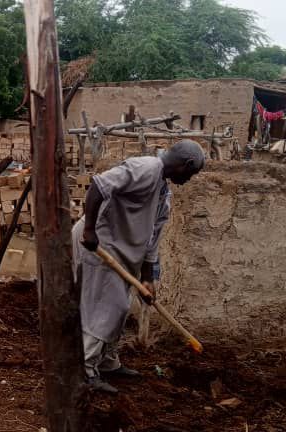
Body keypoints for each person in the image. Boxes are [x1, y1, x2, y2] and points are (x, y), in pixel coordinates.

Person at [71, 139, 205, 394]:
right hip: (100, 245)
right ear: (186, 165)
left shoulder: (164, 193)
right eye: (192, 173)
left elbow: (152, 239)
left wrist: (147, 278)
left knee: (120, 311)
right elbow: (98, 187)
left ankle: (108, 363)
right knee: (105, 308)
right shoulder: (146, 168)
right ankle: (85, 371)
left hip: (124, 254)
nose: (190, 179)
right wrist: (89, 230)